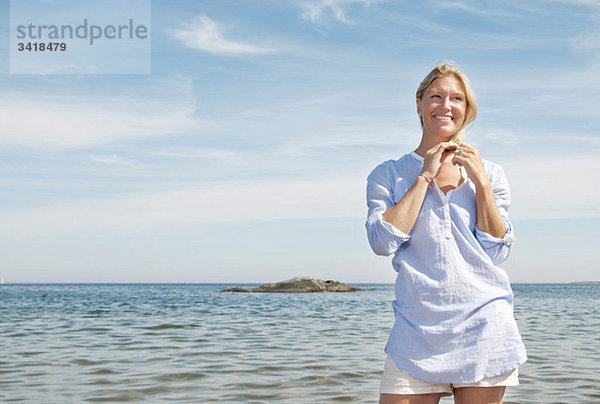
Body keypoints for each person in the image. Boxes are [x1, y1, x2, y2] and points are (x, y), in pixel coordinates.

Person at [365, 62, 527, 404]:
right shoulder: (389, 173)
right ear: (419, 104)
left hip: (484, 326)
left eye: (457, 98)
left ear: (466, 109)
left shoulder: (491, 172)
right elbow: (381, 242)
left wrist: (480, 182)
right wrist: (424, 177)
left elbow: (497, 251)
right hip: (416, 329)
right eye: (436, 96)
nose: (446, 105)